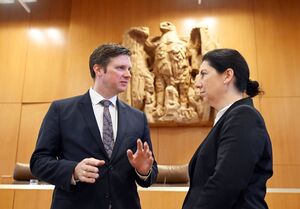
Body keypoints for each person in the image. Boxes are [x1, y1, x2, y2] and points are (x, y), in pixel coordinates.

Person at [30, 43, 158, 209]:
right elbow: (38, 162)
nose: (128, 75)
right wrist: (73, 170)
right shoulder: (61, 110)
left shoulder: (138, 117)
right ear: (98, 70)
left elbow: (151, 170)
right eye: (120, 68)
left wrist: (143, 171)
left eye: (129, 69)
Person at [182, 48, 273, 209]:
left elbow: (225, 185)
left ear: (227, 75)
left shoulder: (244, 116)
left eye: (203, 74)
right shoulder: (230, 117)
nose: (197, 83)